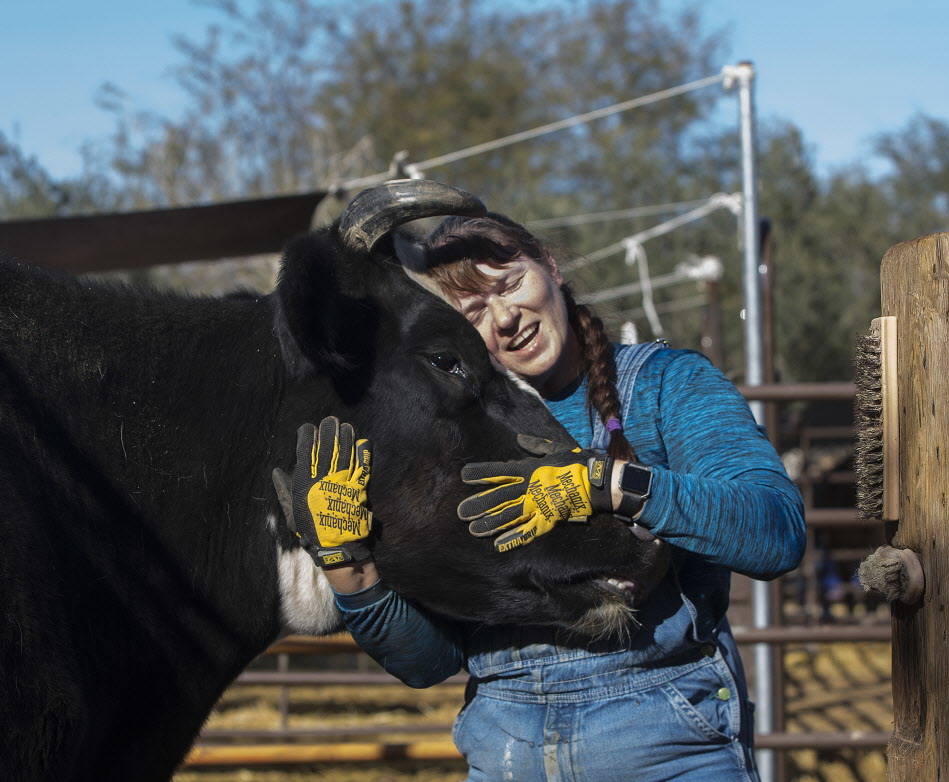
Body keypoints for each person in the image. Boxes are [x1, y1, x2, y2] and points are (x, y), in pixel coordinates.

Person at [276, 211, 806, 781]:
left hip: (666, 750)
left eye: (509, 284)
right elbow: (429, 662)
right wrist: (350, 570)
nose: (505, 318)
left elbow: (774, 532)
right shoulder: (445, 433)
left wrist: (608, 486)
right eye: (473, 312)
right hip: (508, 756)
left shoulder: (662, 386)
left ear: (550, 267)